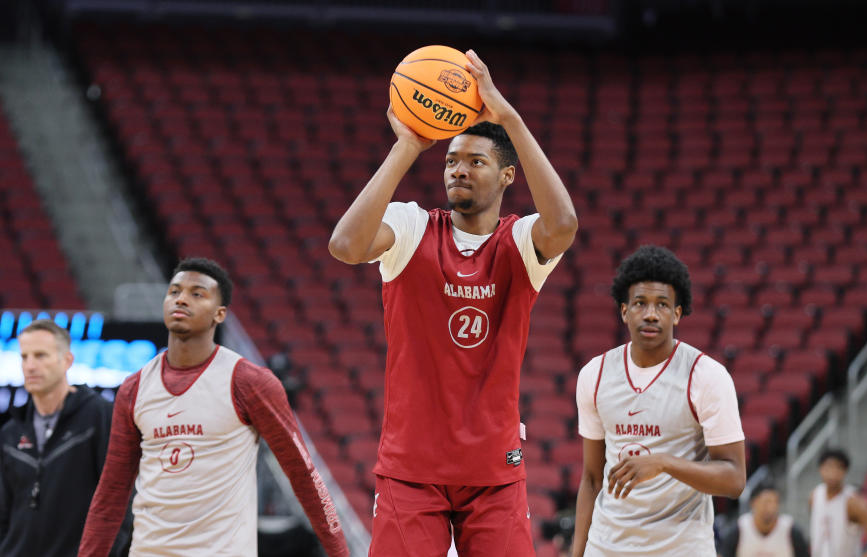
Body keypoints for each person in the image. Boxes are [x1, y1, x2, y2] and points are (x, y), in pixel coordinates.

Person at [328, 49, 577, 556]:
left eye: (476, 161)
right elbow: (345, 246)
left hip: (494, 472)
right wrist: (409, 146)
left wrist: (509, 118)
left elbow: (564, 225)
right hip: (410, 469)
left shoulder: (521, 242)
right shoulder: (411, 226)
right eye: (451, 160)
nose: (458, 170)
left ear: (508, 175)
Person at [78, 258, 348, 557]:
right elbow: (111, 494)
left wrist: (340, 553)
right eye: (175, 291)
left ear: (219, 314)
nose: (181, 299)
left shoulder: (249, 382)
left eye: (197, 293)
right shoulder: (134, 388)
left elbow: (304, 476)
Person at [572, 246, 746, 556]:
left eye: (662, 305)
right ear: (624, 311)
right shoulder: (594, 375)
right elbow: (591, 478)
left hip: (681, 548)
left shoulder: (707, 376)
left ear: (677, 313)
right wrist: (577, 552)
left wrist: (663, 462)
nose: (651, 313)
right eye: (640, 303)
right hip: (606, 546)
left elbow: (734, 479)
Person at [0, 319, 129, 557]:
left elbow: (122, 498)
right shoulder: (10, 432)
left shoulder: (99, 417)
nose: (30, 366)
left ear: (67, 361)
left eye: (40, 356)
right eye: (24, 356)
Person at [809, 449, 867, 557]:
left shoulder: (852, 502)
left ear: (845, 471)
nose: (833, 473)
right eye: (829, 467)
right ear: (820, 469)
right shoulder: (814, 495)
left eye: (838, 467)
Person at [719, 483, 810, 557]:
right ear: (753, 503)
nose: (771, 507)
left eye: (775, 502)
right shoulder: (739, 529)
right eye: (766, 502)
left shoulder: (791, 530)